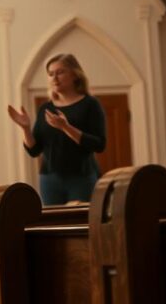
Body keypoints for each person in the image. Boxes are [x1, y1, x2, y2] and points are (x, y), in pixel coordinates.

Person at [7, 53, 106, 205]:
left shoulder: (90, 104)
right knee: (54, 224)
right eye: (51, 74)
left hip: (81, 177)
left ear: (75, 75)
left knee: (79, 224)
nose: (54, 78)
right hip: (50, 179)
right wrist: (25, 128)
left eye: (60, 72)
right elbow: (34, 150)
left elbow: (99, 145)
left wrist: (66, 127)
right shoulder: (46, 108)